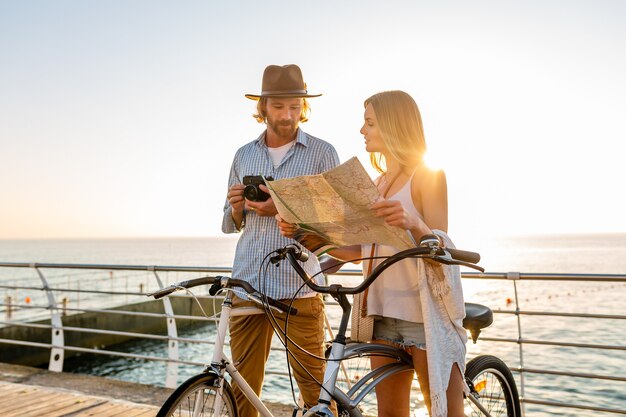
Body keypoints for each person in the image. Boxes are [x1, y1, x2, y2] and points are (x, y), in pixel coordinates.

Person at [277, 90, 467, 417]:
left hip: (424, 318)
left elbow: (442, 250)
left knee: (447, 413)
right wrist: (312, 237)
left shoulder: (428, 175)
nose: (362, 131)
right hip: (381, 316)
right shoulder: (376, 184)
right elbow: (366, 251)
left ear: (393, 126)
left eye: (370, 123)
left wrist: (413, 222)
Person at [222, 64, 340, 417]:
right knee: (242, 389)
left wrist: (283, 208)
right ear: (263, 107)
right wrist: (238, 207)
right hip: (247, 284)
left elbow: (337, 223)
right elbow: (230, 223)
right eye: (278, 107)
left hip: (299, 288)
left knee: (315, 391)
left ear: (303, 107)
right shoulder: (244, 155)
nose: (287, 116)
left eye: (294, 107)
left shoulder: (322, 153)